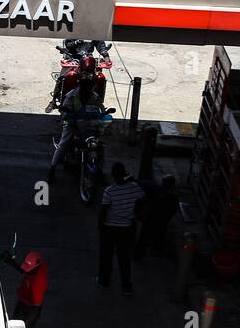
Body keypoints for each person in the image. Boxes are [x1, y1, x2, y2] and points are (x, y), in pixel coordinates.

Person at [99, 162, 145, 295]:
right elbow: (143, 199)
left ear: (113, 175)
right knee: (124, 258)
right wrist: (136, 213)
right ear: (124, 173)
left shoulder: (109, 191)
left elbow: (104, 211)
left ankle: (104, 281)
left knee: (106, 256)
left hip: (109, 228)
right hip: (126, 228)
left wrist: (100, 227)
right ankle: (126, 286)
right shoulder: (134, 188)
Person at [46, 75, 102, 181]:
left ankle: (99, 171)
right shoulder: (71, 96)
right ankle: (52, 169)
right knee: (64, 143)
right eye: (84, 88)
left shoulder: (94, 97)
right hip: (71, 122)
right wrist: (68, 114)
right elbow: (64, 111)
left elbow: (100, 109)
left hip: (87, 124)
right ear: (81, 87)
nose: (86, 91)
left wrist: (103, 116)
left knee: (99, 145)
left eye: (89, 88)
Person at [0, 249, 47, 328]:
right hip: (23, 301)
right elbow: (24, 271)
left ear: (36, 268)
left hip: (30, 309)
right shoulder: (34, 269)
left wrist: (25, 326)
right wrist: (11, 262)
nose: (26, 270)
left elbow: (36, 309)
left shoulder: (38, 285)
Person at [137, 175, 179, 257]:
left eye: (164, 183)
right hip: (161, 221)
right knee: (157, 237)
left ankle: (141, 253)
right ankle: (154, 250)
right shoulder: (173, 196)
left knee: (145, 237)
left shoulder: (160, 193)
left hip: (153, 219)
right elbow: (173, 210)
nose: (162, 184)